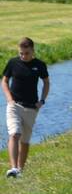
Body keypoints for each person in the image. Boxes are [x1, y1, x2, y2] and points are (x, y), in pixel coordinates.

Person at [2, 37, 50, 177]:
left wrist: (41, 101)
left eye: (26, 53)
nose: (23, 56)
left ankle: (20, 170)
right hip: (14, 105)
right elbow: (4, 81)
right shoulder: (13, 63)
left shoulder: (39, 65)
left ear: (33, 51)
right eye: (21, 53)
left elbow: (46, 83)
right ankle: (14, 168)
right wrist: (9, 99)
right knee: (15, 134)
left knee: (25, 141)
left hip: (31, 108)